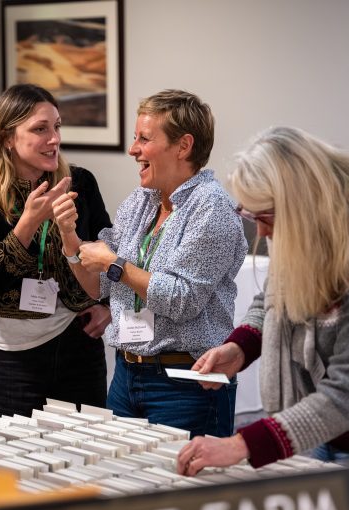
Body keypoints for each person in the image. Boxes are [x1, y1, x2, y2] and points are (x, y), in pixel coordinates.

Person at [177, 126, 349, 476]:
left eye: (264, 218)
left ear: (302, 206)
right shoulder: (303, 226)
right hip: (337, 422)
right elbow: (275, 297)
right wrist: (241, 348)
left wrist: (239, 445)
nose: (261, 232)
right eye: (251, 217)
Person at [52, 89, 247, 437]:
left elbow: (181, 300)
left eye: (144, 139)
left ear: (183, 146)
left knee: (181, 475)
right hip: (127, 376)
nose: (133, 149)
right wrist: (69, 237)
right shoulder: (141, 201)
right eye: (134, 138)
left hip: (186, 384)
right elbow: (97, 286)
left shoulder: (212, 208)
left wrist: (114, 264)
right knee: (121, 472)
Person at [0, 83, 112, 419]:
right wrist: (27, 223)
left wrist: (107, 306)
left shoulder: (80, 182)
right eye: (40, 129)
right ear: (7, 137)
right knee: (11, 451)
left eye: (57, 127)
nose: (54, 139)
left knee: (87, 448)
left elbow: (107, 252)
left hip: (80, 347)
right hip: (14, 360)